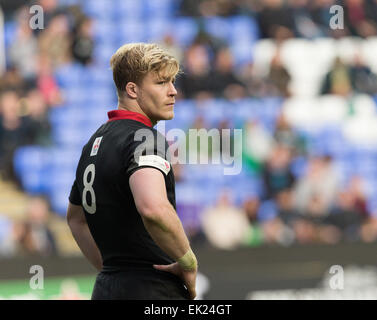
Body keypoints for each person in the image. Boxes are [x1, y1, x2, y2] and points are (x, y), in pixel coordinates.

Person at [66, 43, 198, 300]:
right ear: (132, 90)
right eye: (161, 83)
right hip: (152, 289)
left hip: (106, 289)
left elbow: (75, 219)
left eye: (172, 82)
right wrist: (188, 263)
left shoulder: (94, 143)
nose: (173, 92)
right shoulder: (144, 138)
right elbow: (153, 208)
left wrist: (111, 269)